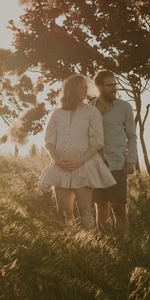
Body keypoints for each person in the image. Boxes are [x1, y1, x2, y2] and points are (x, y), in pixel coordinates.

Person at [38, 74, 116, 228]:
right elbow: (49, 142)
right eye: (80, 87)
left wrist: (80, 161)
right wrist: (57, 160)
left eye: (85, 87)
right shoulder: (57, 113)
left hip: (83, 166)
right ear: (71, 89)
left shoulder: (91, 112)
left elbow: (97, 142)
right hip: (61, 166)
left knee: (85, 210)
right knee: (64, 211)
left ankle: (90, 245)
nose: (84, 90)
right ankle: (72, 244)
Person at [91, 69, 138, 236]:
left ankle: (124, 245)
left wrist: (131, 160)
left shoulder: (124, 107)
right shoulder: (90, 110)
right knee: (101, 209)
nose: (114, 88)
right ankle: (108, 249)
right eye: (109, 85)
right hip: (96, 166)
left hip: (118, 164)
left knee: (119, 208)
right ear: (99, 87)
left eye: (115, 85)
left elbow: (132, 136)